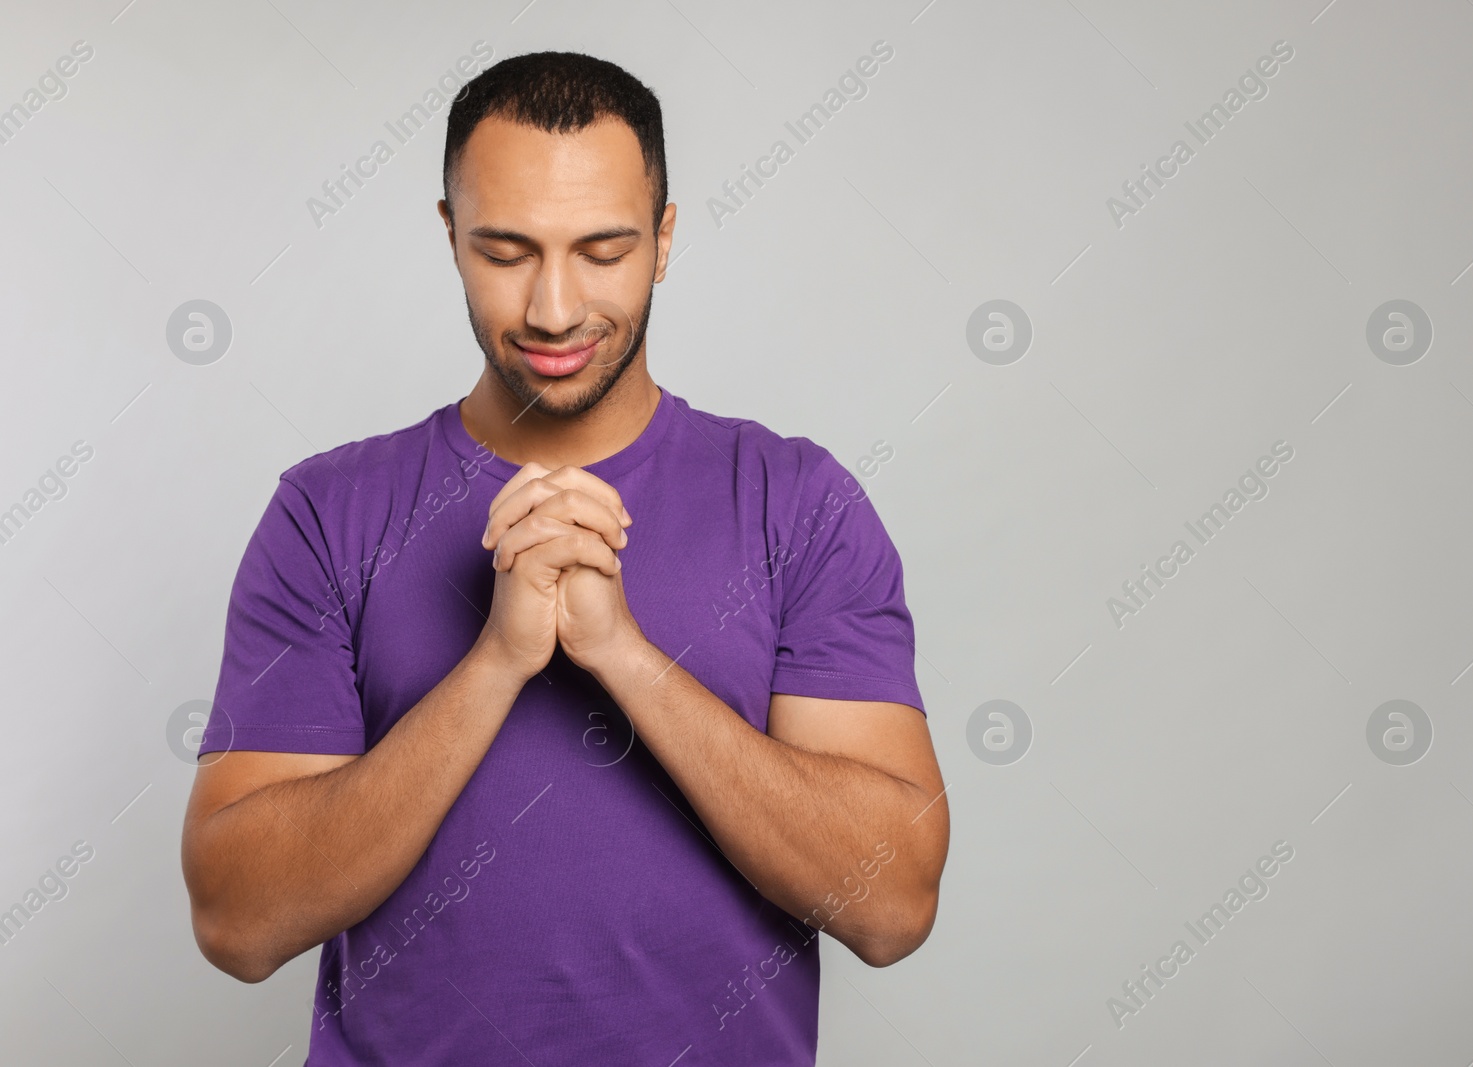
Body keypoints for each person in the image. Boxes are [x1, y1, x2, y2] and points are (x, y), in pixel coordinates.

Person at [180, 50, 948, 1066]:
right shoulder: (328, 512)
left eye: (602, 249)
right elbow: (239, 922)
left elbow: (890, 904)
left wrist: (624, 655)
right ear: (450, 235)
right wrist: (495, 661)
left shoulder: (796, 503)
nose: (551, 308)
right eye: (505, 250)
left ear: (665, 238)